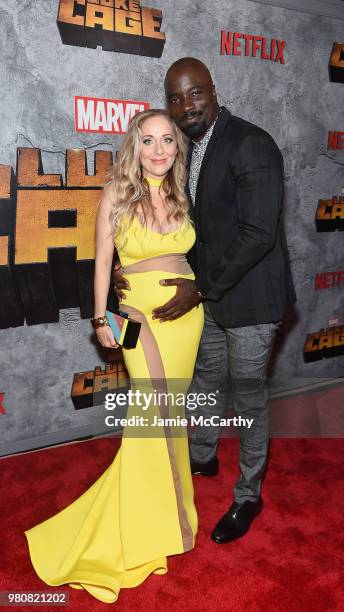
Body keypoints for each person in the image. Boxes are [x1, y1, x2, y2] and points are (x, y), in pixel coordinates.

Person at [24, 109, 204, 603]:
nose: (160, 150)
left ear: (177, 147)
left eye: (168, 140)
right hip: (137, 320)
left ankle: (171, 517)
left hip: (187, 321)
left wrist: (198, 286)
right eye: (149, 141)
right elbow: (102, 260)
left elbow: (200, 254)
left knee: (172, 419)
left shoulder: (183, 193)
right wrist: (101, 318)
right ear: (135, 146)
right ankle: (143, 528)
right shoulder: (116, 195)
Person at [115, 58, 296, 544]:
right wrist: (134, 267)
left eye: (194, 93)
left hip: (251, 302)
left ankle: (248, 495)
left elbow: (257, 234)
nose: (186, 105)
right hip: (210, 298)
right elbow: (191, 232)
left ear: (213, 91)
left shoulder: (251, 143)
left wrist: (201, 286)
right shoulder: (188, 149)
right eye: (175, 98)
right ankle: (204, 454)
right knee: (207, 384)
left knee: (250, 397)